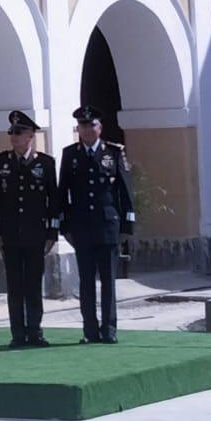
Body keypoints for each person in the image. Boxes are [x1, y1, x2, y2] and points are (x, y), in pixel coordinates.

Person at [58, 105, 134, 345]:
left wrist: (127, 226)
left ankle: (109, 328)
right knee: (86, 281)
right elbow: (63, 193)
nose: (87, 129)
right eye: (82, 126)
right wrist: (65, 225)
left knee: (108, 280)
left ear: (99, 127)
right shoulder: (71, 154)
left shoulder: (113, 152)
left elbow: (125, 192)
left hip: (107, 225)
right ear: (77, 129)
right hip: (81, 227)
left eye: (91, 125)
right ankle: (89, 330)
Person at [0, 109, 59, 348]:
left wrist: (52, 234)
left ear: (30, 135)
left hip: (35, 235)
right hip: (10, 235)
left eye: (18, 132)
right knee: (15, 287)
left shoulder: (46, 163)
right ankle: (17, 333)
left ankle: (35, 331)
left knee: (32, 285)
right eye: (11, 132)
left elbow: (54, 202)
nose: (14, 136)